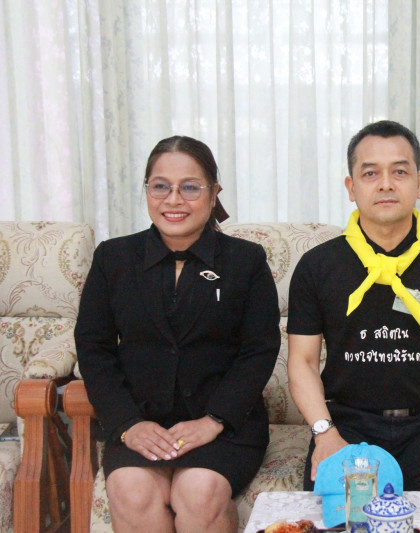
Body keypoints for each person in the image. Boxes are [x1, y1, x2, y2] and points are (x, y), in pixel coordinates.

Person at [75, 136, 281, 532]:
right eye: (160, 186)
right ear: (147, 191)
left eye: (190, 187)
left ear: (213, 193)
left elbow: (259, 350)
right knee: (132, 490)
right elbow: (93, 348)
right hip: (139, 423)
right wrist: (127, 424)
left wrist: (214, 420)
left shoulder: (245, 260)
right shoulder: (113, 258)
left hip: (223, 426)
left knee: (198, 490)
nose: (174, 200)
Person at [287, 120, 420, 491]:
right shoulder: (317, 266)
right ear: (351, 187)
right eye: (370, 173)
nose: (386, 184)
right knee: (340, 515)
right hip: (348, 427)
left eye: (400, 171)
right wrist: (325, 434)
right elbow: (302, 361)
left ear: (419, 183)